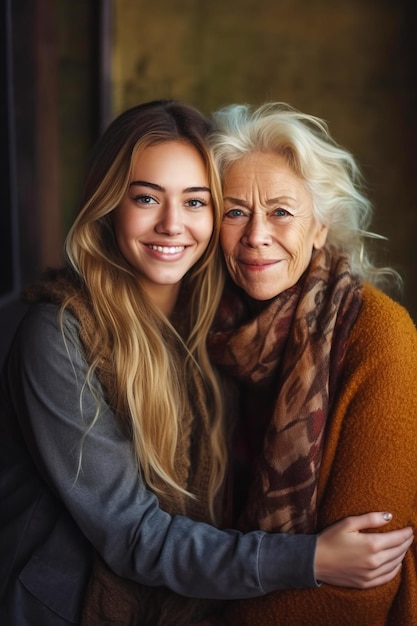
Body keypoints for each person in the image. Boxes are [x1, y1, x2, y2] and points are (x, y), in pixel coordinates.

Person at [0, 101, 412, 626]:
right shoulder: (59, 334)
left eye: (196, 202)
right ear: (108, 207)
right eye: (146, 198)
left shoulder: (220, 327)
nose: (173, 225)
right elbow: (133, 534)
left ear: (319, 226)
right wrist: (308, 560)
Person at [206, 102, 417, 625]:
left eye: (281, 211)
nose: (256, 234)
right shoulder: (208, 329)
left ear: (320, 228)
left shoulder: (380, 336)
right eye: (234, 211)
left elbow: (365, 578)